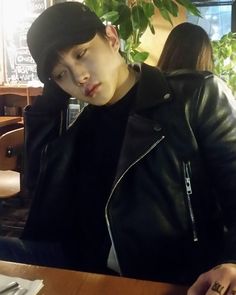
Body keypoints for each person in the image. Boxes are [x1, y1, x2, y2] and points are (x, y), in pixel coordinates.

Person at [0, 2, 236, 295]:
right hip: (85, 266)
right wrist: (46, 111)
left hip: (172, 273)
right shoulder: (80, 130)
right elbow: (40, 213)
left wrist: (232, 262)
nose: (79, 77)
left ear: (112, 38)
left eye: (81, 54)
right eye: (60, 74)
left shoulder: (195, 96)